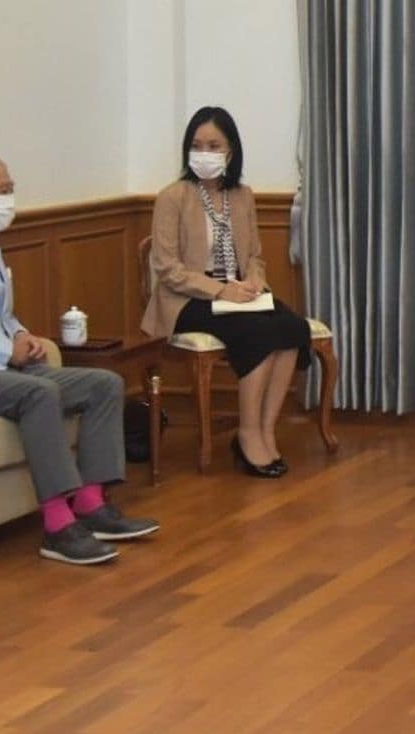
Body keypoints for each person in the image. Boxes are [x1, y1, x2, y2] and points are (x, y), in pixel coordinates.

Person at [0, 153, 158, 566]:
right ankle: (57, 525)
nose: (10, 199)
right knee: (40, 393)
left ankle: (91, 504)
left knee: (104, 384)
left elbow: (0, 313)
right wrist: (5, 349)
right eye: (3, 191)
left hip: (1, 364)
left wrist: (20, 335)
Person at [141, 106, 312, 479]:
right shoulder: (172, 197)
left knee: (291, 328)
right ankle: (247, 434)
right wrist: (220, 291)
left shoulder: (242, 195)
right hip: (188, 299)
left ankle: (265, 430)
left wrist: (253, 282)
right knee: (257, 333)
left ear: (231, 151)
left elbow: (254, 256)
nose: (204, 152)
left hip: (237, 293)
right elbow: (167, 268)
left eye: (214, 145)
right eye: (197, 145)